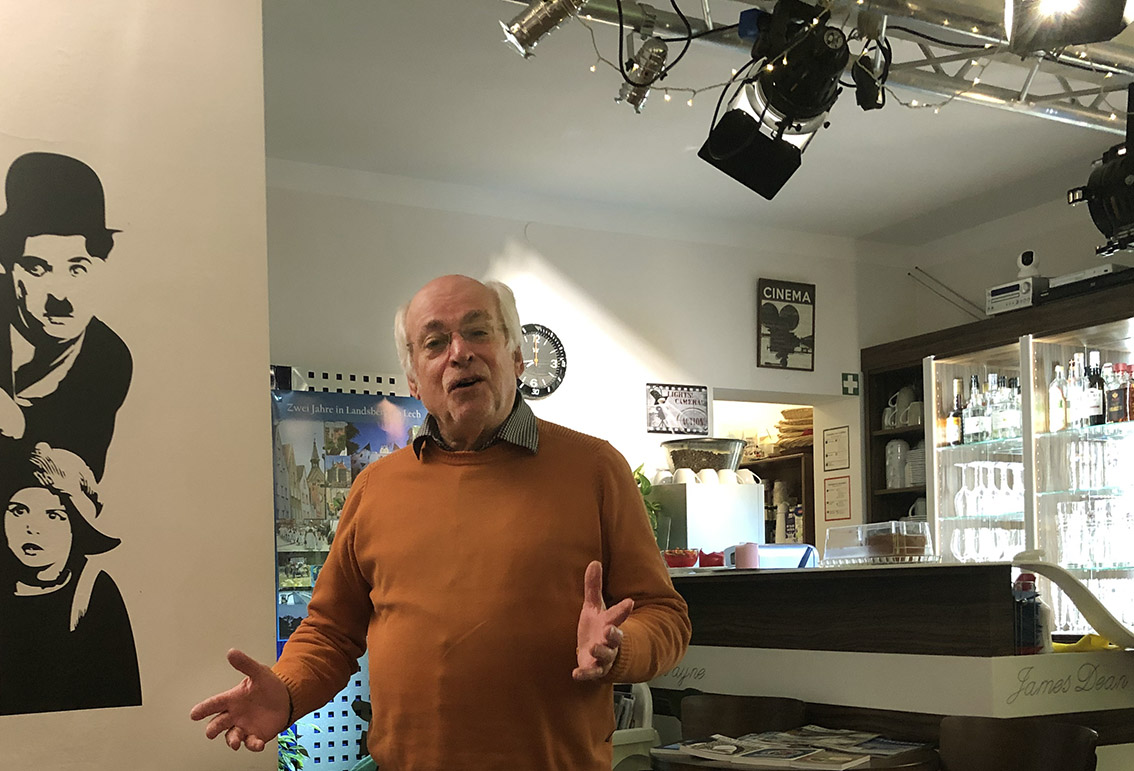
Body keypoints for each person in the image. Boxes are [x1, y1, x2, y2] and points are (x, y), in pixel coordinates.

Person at [192, 274, 691, 770]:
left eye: (478, 332)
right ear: (413, 379)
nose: (459, 352)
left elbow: (665, 616)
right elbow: (330, 632)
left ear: (517, 355)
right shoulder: (376, 488)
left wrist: (620, 647)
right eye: (434, 342)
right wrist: (287, 690)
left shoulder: (595, 469)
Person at [0, 152, 132, 480]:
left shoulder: (107, 360)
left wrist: (20, 429)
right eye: (37, 268)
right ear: (10, 270)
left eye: (77, 268)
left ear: (101, 267)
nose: (60, 298)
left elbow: (78, 485)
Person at [0, 441, 141, 714]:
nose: (32, 528)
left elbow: (117, 698)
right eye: (18, 511)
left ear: (77, 527)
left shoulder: (93, 590)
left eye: (53, 515)